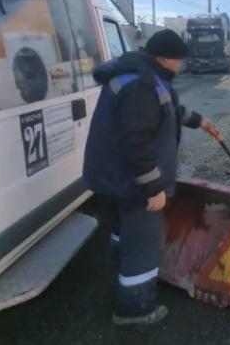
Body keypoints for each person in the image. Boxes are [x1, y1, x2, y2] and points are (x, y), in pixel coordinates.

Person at [83, 29, 214, 326]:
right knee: (143, 241)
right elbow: (136, 143)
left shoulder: (141, 76)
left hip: (110, 177)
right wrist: (153, 189)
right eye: (179, 60)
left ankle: (122, 274)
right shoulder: (141, 86)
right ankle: (135, 308)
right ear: (165, 58)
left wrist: (199, 121)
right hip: (129, 183)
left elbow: (167, 108)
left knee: (123, 232)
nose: (181, 65)